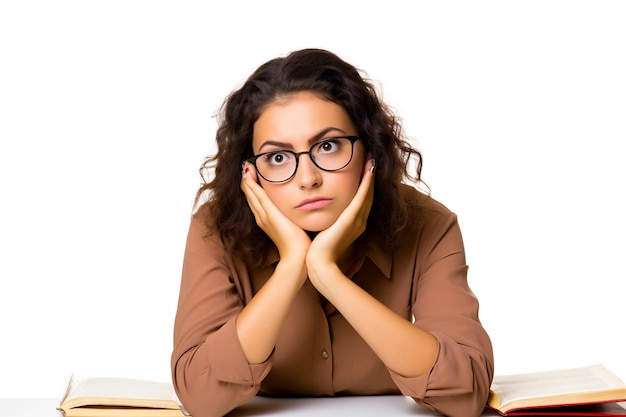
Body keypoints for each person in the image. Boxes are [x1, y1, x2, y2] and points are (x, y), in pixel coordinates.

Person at [171, 48, 494, 417]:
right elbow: (199, 395)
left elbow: (466, 392)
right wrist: (292, 265)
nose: (308, 179)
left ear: (369, 149)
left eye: (327, 146)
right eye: (278, 157)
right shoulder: (215, 230)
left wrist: (328, 275)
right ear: (250, 172)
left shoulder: (430, 226)